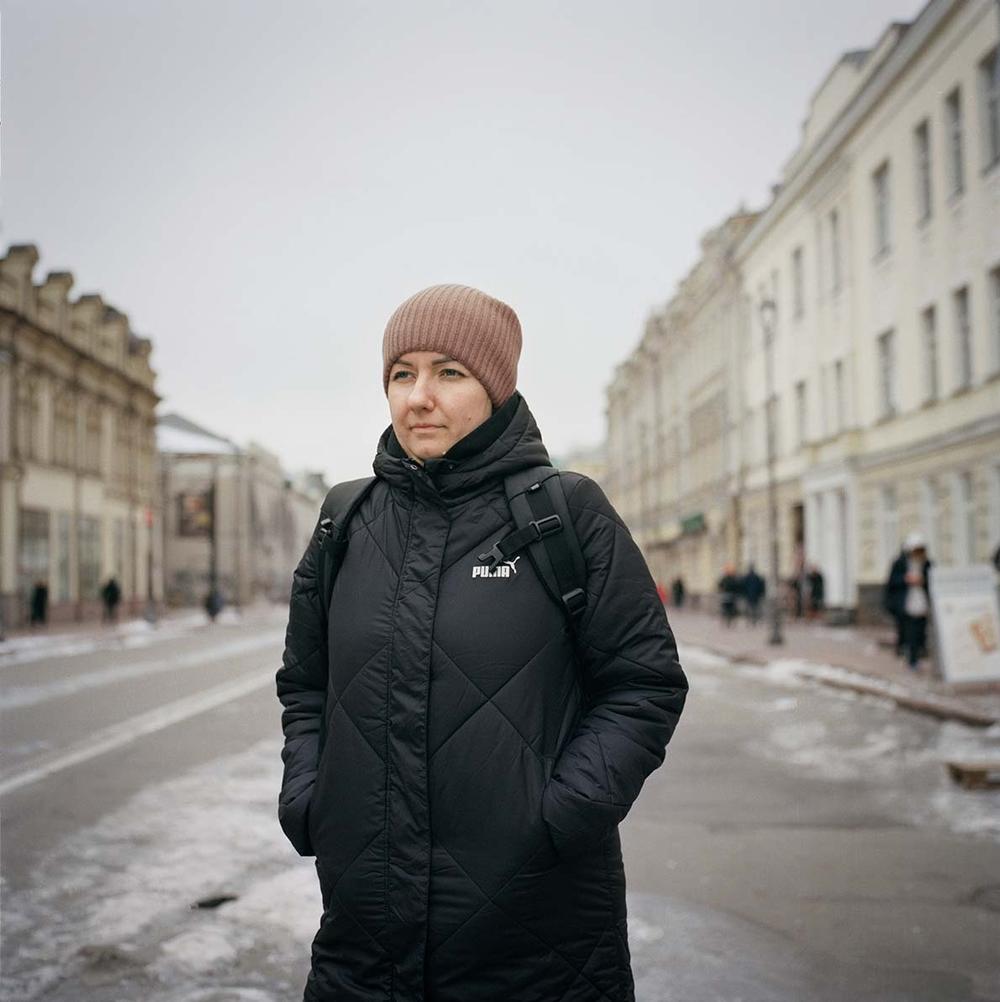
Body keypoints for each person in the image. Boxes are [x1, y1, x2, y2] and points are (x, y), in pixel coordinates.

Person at [275, 284, 688, 1002]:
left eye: (449, 372)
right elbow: (305, 683)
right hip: (362, 940)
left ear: (495, 388)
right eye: (402, 374)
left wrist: (561, 816)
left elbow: (644, 683)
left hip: (537, 941)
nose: (418, 397)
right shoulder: (346, 520)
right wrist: (309, 799)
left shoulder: (568, 513)